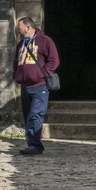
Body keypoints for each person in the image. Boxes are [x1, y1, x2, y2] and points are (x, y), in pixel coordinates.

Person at [12, 15, 59, 156]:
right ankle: (32, 145)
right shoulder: (21, 44)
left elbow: (54, 61)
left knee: (35, 114)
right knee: (28, 116)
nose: (18, 31)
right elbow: (16, 62)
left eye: (20, 29)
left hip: (39, 86)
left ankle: (35, 146)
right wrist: (16, 75)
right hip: (25, 87)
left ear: (28, 27)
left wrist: (41, 74)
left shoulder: (45, 41)